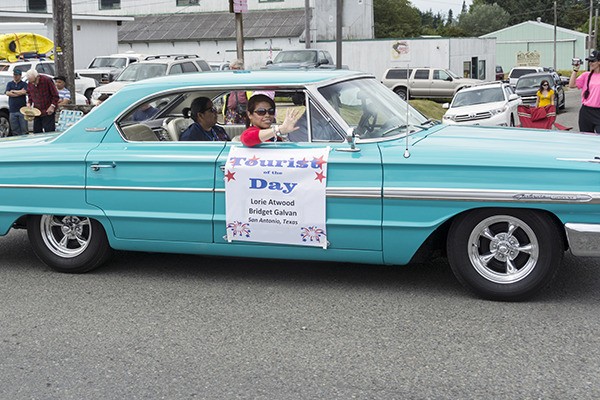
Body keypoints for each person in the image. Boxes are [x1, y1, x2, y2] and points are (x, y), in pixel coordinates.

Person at [570, 50, 600, 133]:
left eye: (593, 61)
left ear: (599, 62)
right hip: (586, 112)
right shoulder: (586, 75)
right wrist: (575, 70)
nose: (590, 63)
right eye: (589, 61)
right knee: (586, 138)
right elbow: (571, 85)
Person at [25, 69, 59, 133]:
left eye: (34, 81)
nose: (33, 83)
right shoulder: (30, 83)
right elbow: (30, 94)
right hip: (37, 110)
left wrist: (52, 106)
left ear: (37, 77)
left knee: (49, 131)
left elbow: (55, 95)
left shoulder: (47, 80)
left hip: (48, 110)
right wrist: (29, 103)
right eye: (31, 82)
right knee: (36, 131)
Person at [224, 59, 249, 124]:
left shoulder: (247, 80)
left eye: (234, 68)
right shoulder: (228, 81)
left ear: (241, 69)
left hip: (244, 112)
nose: (232, 70)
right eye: (231, 68)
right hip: (231, 112)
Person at [5, 68, 28, 135]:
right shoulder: (10, 84)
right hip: (12, 110)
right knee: (14, 129)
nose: (15, 76)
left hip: (22, 110)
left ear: (20, 76)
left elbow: (24, 92)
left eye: (17, 75)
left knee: (24, 128)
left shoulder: (24, 84)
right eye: (14, 75)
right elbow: (7, 93)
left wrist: (14, 91)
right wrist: (19, 93)